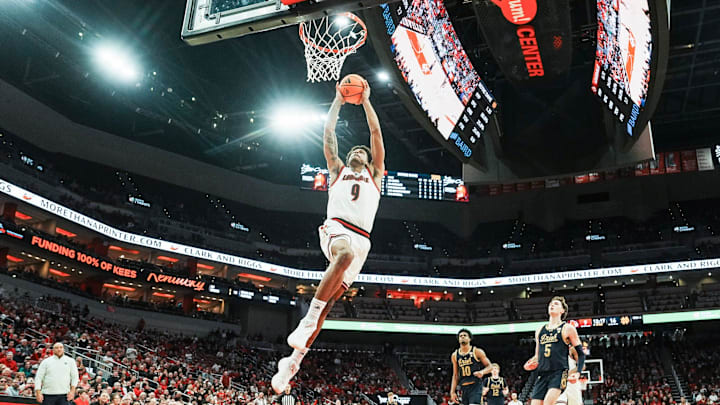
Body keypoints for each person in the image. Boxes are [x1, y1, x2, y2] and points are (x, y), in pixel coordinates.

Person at [271, 78, 385, 393]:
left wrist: (366, 102)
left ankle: (291, 364)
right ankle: (308, 318)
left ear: (368, 160)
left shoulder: (375, 176)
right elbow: (329, 134)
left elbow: (375, 133)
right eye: (355, 151)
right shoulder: (336, 170)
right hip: (337, 228)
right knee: (343, 255)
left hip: (363, 239)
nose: (358, 152)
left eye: (362, 152)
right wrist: (337, 100)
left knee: (332, 303)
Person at [525, 297, 585, 405]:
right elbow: (537, 355)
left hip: (559, 372)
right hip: (543, 373)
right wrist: (529, 364)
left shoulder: (567, 328)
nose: (552, 305)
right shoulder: (540, 330)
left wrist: (578, 372)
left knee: (548, 403)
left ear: (562, 311)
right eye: (550, 304)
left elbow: (581, 354)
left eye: (556, 304)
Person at [450, 329, 493, 405]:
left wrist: (482, 372)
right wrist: (452, 392)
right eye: (460, 336)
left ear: (469, 338)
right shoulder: (455, 355)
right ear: (458, 339)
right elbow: (455, 375)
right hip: (463, 387)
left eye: (465, 335)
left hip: (475, 386)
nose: (462, 337)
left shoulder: (477, 351)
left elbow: (490, 367)